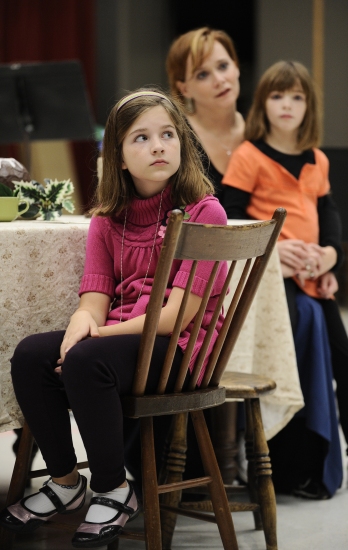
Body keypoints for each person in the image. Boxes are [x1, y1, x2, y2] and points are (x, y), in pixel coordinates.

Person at [0, 89, 227, 548]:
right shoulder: (108, 219)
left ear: (182, 145)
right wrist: (83, 321)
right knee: (30, 355)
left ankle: (112, 487)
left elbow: (175, 317)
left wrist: (95, 335)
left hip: (180, 349)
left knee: (88, 360)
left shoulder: (207, 212)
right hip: (124, 340)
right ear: (119, 158)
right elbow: (94, 298)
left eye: (167, 135)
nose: (158, 145)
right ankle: (66, 482)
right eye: (141, 138)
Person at [222, 60, 348, 499]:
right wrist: (275, 251)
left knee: (341, 356)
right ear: (263, 104)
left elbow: (328, 216)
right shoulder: (249, 155)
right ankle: (283, 465)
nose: (288, 105)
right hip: (273, 283)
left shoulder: (317, 159)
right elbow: (231, 217)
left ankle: (328, 462)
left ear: (309, 105)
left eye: (297, 96)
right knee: (292, 358)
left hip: (313, 278)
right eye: (278, 96)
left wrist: (330, 257)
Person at [166, 26, 245, 211]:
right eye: (203, 74)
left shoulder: (261, 131)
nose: (219, 80)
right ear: (184, 89)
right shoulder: (174, 138)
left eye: (223, 66)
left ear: (236, 66)